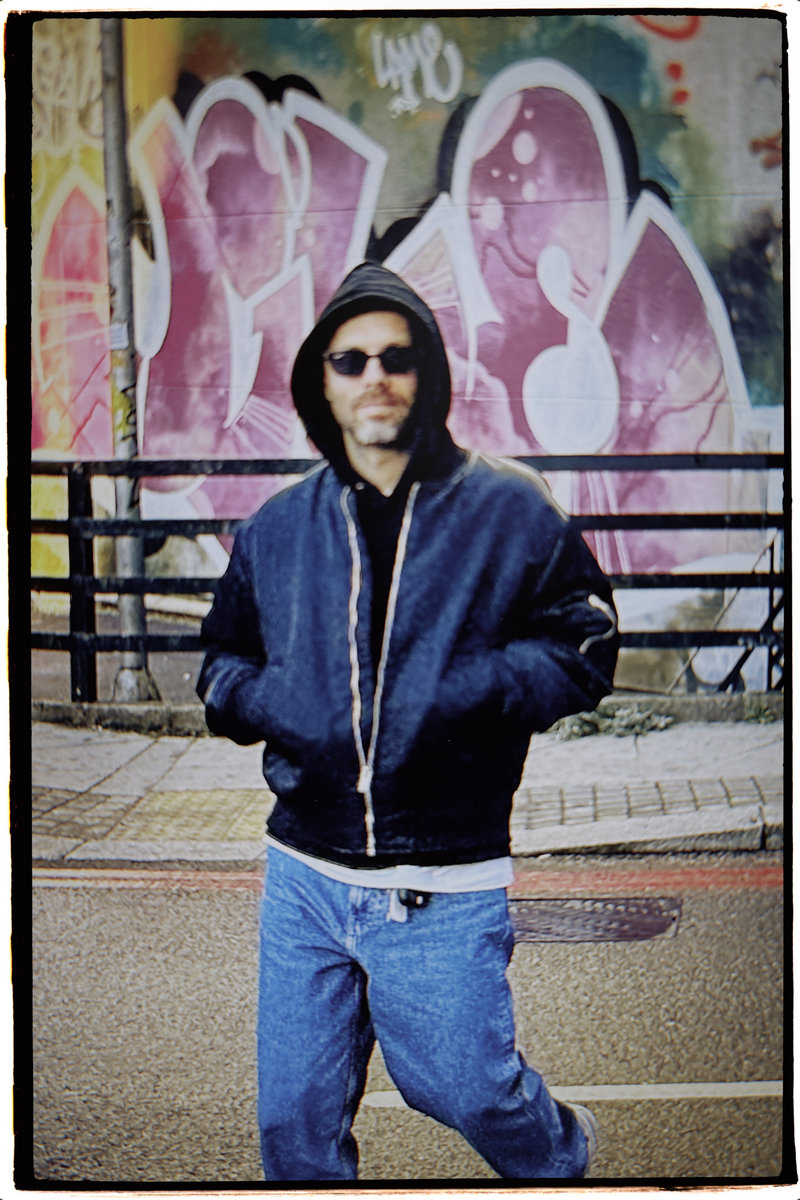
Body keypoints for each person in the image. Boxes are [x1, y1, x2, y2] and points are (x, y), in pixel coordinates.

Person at [197, 261, 619, 1181]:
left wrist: (465, 688)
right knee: (293, 1125)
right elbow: (222, 663)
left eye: (397, 356)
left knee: (468, 1092)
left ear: (428, 370)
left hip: (443, 874)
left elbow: (585, 643)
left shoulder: (507, 508)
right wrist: (274, 701)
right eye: (349, 360)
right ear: (321, 381)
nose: (374, 376)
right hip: (304, 873)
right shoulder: (277, 528)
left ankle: (563, 1153)